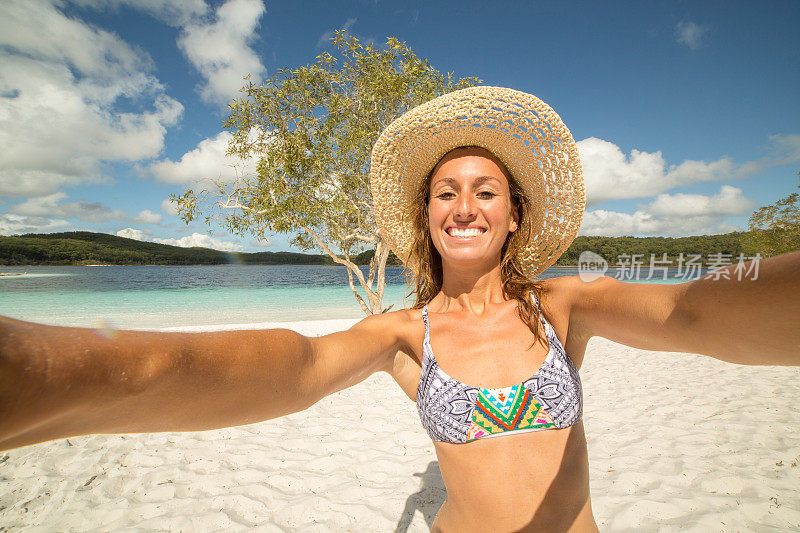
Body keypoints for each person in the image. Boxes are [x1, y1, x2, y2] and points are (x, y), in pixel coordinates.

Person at [1, 86, 798, 532]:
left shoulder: (563, 305)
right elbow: (299, 367)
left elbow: (695, 313)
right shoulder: (400, 334)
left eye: (485, 191)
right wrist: (61, 370)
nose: (463, 204)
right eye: (444, 192)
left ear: (514, 215)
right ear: (425, 218)